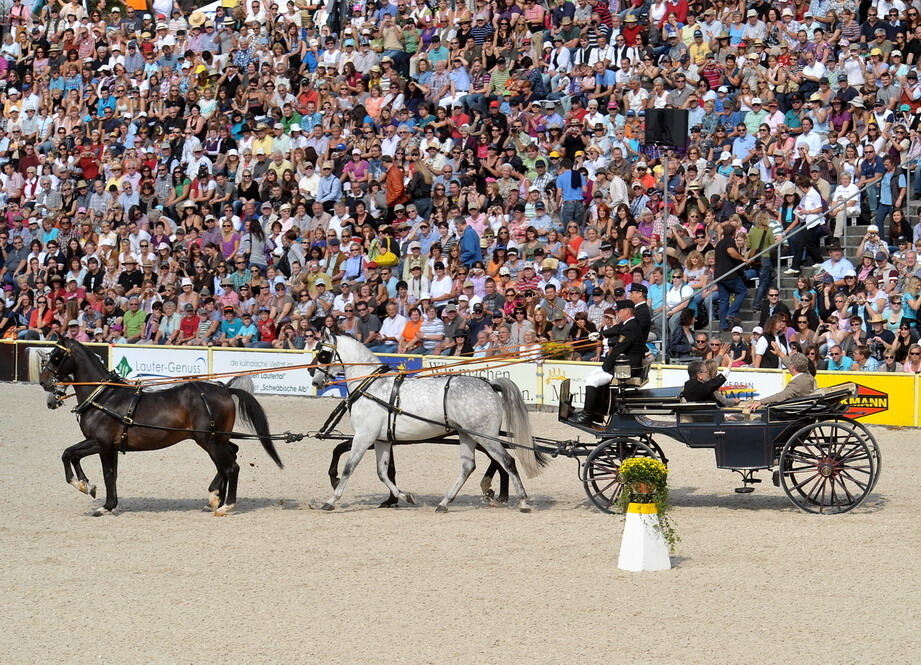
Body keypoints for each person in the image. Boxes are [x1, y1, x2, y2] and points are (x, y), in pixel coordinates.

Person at [572, 299, 646, 424]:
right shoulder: (628, 323)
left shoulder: (630, 327)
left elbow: (618, 350)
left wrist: (605, 367)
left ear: (627, 311)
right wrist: (599, 334)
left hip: (626, 368)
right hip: (624, 365)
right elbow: (616, 329)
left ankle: (588, 415)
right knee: (592, 375)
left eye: (619, 310)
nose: (617, 313)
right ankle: (597, 413)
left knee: (593, 380)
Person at [740, 352, 817, 410]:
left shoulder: (797, 384)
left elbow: (780, 396)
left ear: (793, 367)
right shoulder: (808, 376)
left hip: (792, 413)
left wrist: (760, 402)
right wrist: (779, 353)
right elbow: (791, 364)